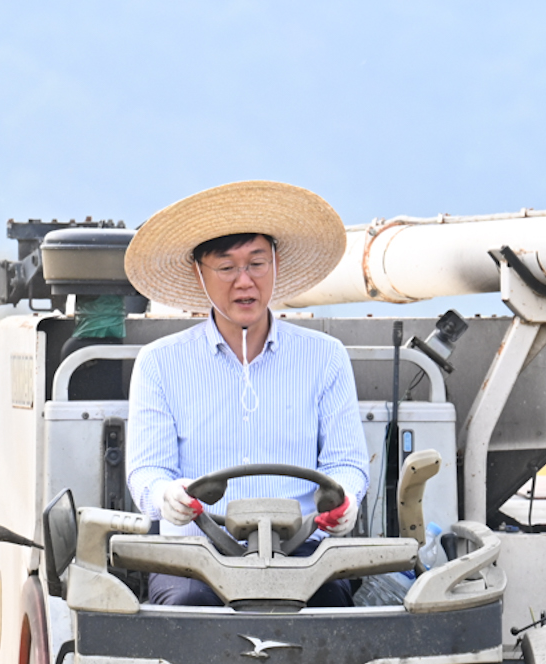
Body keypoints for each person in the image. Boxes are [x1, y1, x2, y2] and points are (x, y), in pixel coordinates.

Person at [121, 180, 369, 607]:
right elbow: (148, 474)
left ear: (275, 264)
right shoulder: (159, 362)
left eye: (256, 263)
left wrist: (345, 501)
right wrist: (169, 497)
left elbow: (347, 463)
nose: (244, 281)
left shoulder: (325, 357)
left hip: (303, 552)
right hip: (194, 557)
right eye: (226, 267)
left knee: (333, 606)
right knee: (186, 607)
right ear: (200, 273)